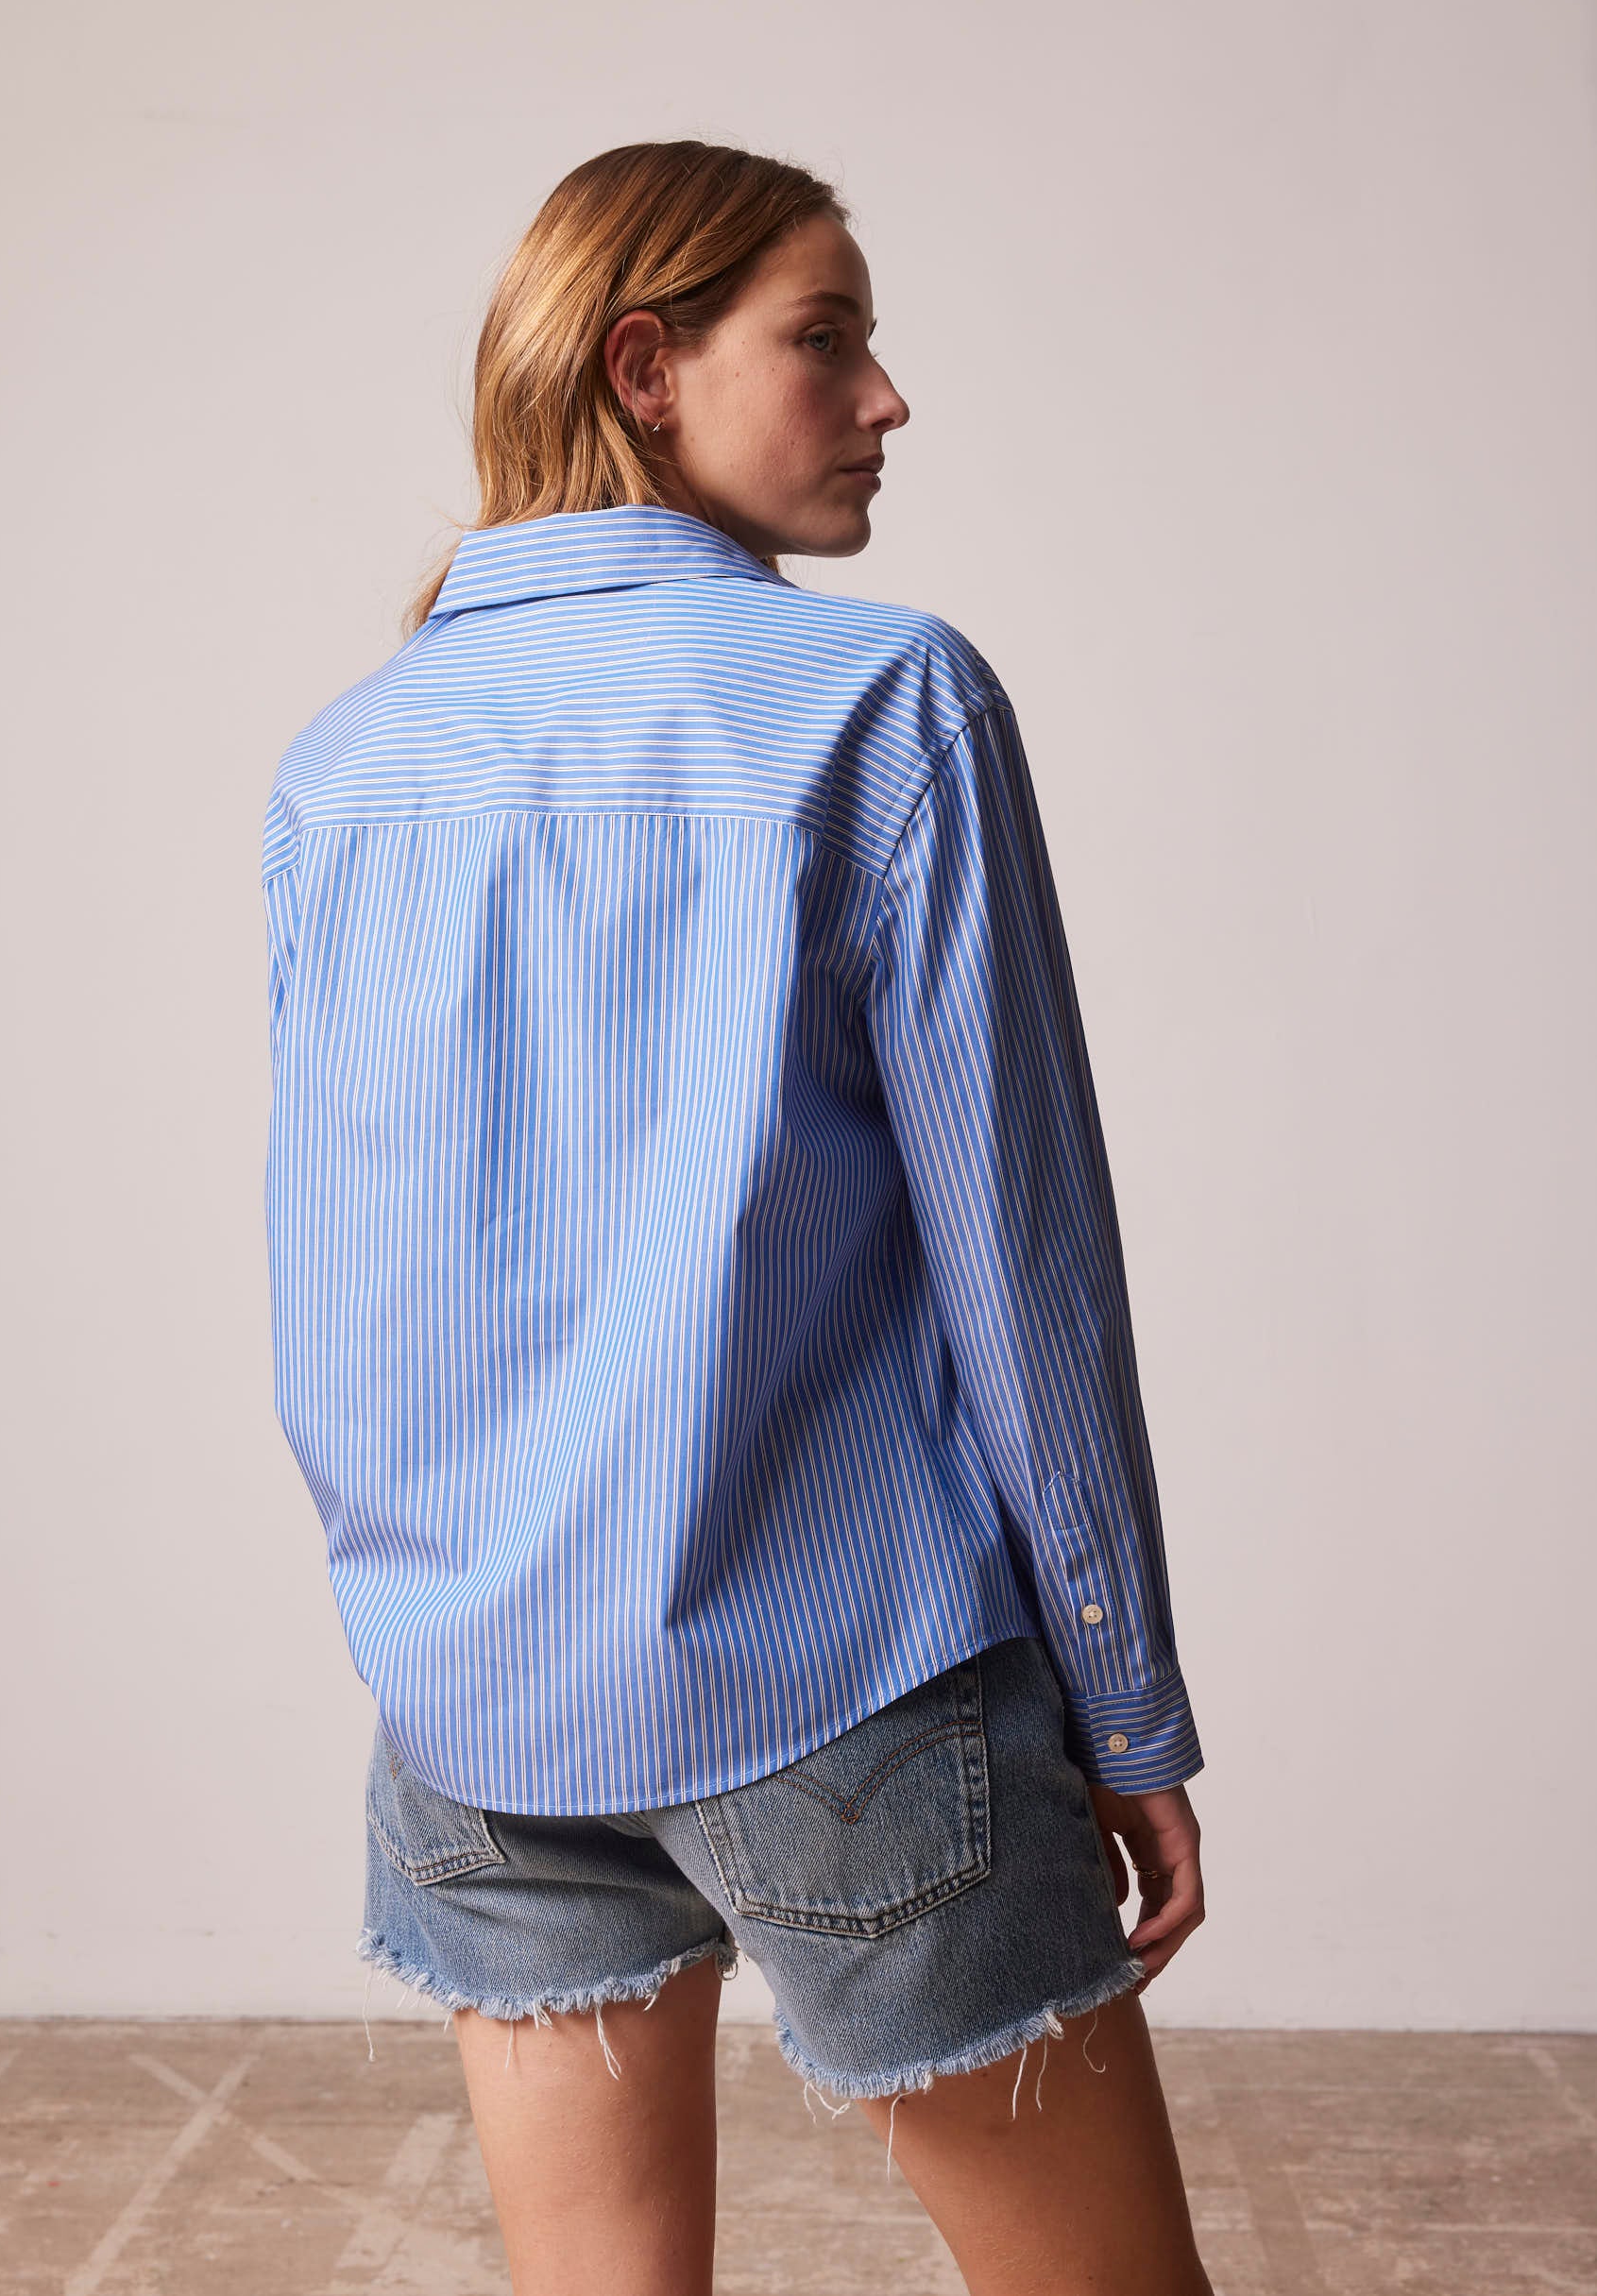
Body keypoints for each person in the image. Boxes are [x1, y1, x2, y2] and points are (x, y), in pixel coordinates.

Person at [262, 139, 1214, 2296]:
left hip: (479, 1715)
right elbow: (1026, 1263)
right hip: (847, 1680)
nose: (887, 397)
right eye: (828, 337)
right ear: (645, 366)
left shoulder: (349, 764)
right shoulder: (885, 699)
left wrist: (435, 1627)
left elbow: (345, 1299)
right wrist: (1127, 1710)